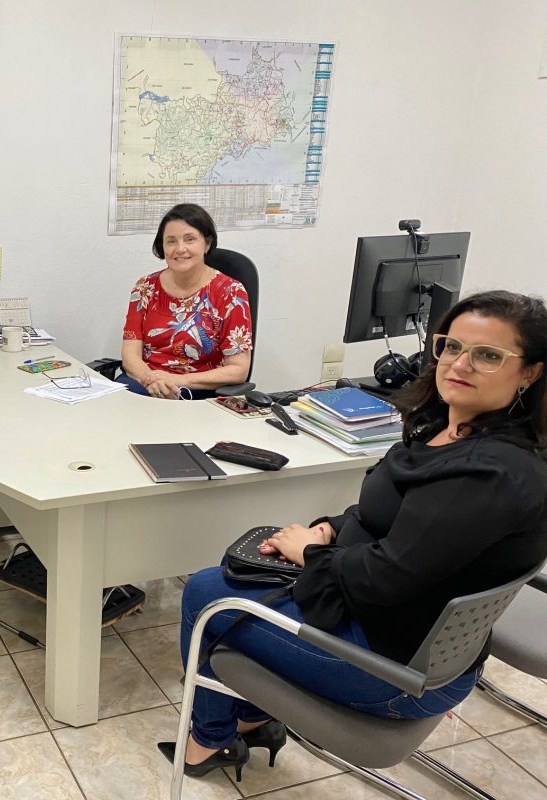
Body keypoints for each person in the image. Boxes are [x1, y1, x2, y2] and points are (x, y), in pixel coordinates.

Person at [160, 290, 547, 779]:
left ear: (530, 372)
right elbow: (385, 514)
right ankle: (255, 719)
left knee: (206, 592)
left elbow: (384, 579)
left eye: (488, 355)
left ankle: (209, 742)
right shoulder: (448, 429)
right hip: (401, 632)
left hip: (393, 671)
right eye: (451, 346)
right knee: (248, 566)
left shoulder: (488, 476)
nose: (459, 364)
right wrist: (331, 527)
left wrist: (312, 551)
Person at [120, 203, 252, 399]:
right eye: (171, 241)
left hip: (196, 389)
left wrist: (175, 380)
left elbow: (238, 370)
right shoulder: (145, 287)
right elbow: (130, 354)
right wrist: (152, 379)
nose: (180, 249)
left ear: (206, 244)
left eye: (189, 239)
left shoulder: (230, 293)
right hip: (144, 382)